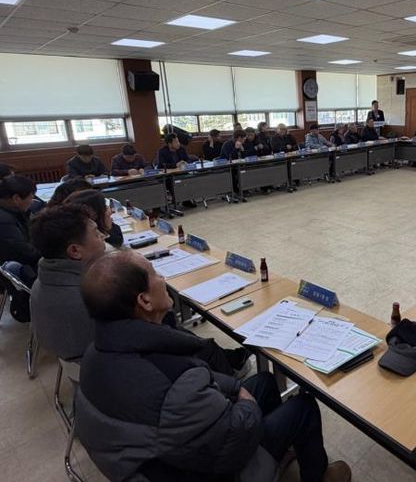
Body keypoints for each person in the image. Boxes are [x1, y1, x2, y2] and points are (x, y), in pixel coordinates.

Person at [75, 251, 350, 482]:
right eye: (156, 274)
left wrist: (237, 388)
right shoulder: (170, 378)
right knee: (303, 407)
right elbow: (233, 440)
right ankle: (316, 475)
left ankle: (278, 451)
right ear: (144, 301)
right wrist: (246, 404)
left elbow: (193, 387)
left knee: (265, 382)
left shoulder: (97, 352)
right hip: (202, 471)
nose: (163, 279)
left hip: (160, 456)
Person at [29, 204, 107, 361]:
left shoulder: (45, 278)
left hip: (74, 362)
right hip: (104, 367)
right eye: (96, 233)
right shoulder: (89, 298)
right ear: (75, 251)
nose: (103, 236)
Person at [0, 175, 41, 269]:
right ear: (16, 198)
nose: (32, 201)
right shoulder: (4, 222)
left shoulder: (13, 211)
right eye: (31, 198)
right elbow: (26, 254)